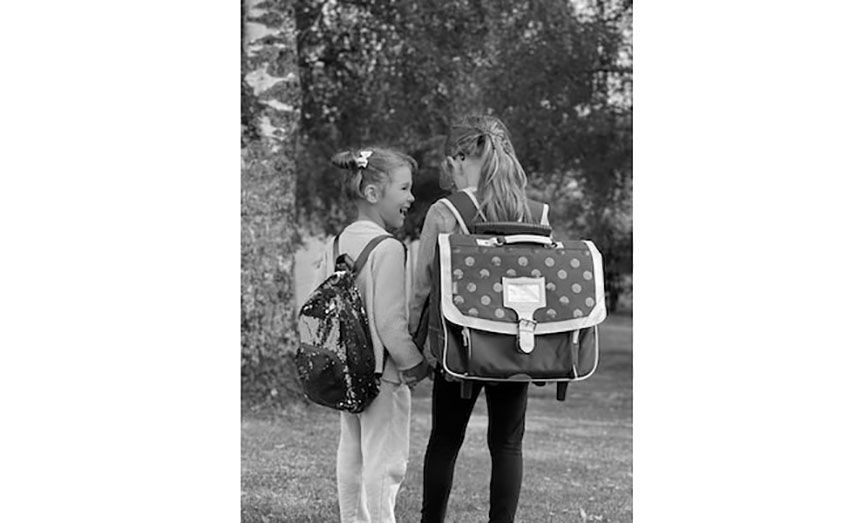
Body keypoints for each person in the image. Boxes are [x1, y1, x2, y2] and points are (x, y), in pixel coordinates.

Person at [408, 115, 549, 523]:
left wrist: (412, 347)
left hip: (460, 346)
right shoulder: (534, 212)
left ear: (463, 157)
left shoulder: (446, 211)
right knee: (507, 446)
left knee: (445, 441)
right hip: (515, 345)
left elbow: (422, 288)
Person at [314, 147, 430, 523]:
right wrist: (416, 365)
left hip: (346, 371)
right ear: (374, 194)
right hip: (382, 376)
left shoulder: (334, 243)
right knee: (386, 460)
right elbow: (391, 324)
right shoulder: (388, 249)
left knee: (352, 450)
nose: (410, 198)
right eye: (404, 188)